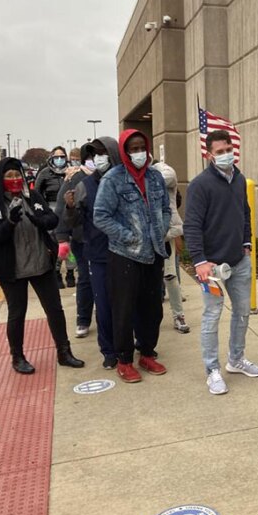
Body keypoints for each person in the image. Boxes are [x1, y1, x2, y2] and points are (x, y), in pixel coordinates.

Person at [0, 157, 84, 374]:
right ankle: (17, 357)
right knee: (17, 313)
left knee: (54, 309)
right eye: (9, 176)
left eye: (17, 174)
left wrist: (39, 219)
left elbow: (52, 220)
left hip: (40, 263)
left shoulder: (33, 196)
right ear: (0, 179)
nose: (15, 179)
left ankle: (64, 352)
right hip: (12, 268)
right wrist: (9, 222)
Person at [184, 130, 258, 395]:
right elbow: (192, 225)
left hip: (238, 261)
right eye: (219, 151)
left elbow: (245, 212)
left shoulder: (239, 179)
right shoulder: (200, 185)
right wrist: (200, 261)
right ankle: (212, 370)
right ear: (209, 155)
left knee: (242, 313)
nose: (226, 154)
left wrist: (247, 243)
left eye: (228, 149)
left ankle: (236, 360)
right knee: (212, 317)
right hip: (212, 268)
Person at [93, 130, 170, 383]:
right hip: (125, 255)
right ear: (125, 152)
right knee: (124, 310)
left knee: (152, 309)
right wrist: (128, 236)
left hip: (155, 253)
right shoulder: (113, 179)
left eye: (141, 147)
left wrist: (162, 228)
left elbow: (167, 208)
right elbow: (101, 216)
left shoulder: (156, 177)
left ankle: (147, 352)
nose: (138, 153)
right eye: (133, 148)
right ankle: (124, 360)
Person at [63, 136, 124, 369]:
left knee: (126, 304)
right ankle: (108, 350)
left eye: (103, 153)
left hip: (125, 252)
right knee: (105, 306)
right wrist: (70, 208)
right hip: (98, 254)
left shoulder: (125, 180)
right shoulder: (84, 186)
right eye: (93, 154)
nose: (98, 158)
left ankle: (127, 344)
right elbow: (73, 222)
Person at [56, 142, 98, 338]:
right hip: (82, 239)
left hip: (104, 238)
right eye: (90, 157)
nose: (94, 161)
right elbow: (61, 209)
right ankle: (83, 318)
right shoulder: (74, 178)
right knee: (86, 279)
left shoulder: (107, 176)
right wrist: (62, 238)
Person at [153, 161, 190, 334]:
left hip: (167, 233)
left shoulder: (162, 171)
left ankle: (179, 315)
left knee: (170, 275)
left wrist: (146, 175)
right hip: (144, 236)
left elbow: (170, 176)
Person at [36, 145, 73, 288]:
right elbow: (37, 194)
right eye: (56, 157)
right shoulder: (45, 173)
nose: (59, 160)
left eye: (62, 157)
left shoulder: (71, 172)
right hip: (51, 210)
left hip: (69, 209)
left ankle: (70, 272)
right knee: (58, 245)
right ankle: (56, 272)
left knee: (70, 245)